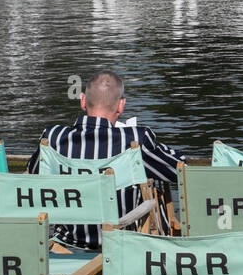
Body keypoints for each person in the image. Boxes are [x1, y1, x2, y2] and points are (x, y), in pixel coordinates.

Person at [27, 70, 183, 247]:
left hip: (66, 244)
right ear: (121, 105)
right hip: (122, 245)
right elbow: (180, 172)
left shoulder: (53, 137)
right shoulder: (135, 140)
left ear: (83, 100)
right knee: (155, 190)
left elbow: (33, 174)